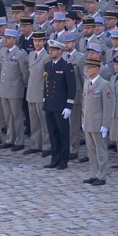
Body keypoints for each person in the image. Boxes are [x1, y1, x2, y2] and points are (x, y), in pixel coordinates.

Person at [43, 40, 76, 170]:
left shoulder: (66, 66)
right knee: (53, 133)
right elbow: (45, 85)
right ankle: (54, 158)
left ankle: (64, 159)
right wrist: (44, 99)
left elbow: (72, 88)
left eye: (53, 49)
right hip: (50, 104)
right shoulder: (47, 65)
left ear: (60, 51)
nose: (50, 52)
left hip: (61, 106)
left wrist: (69, 106)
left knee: (63, 133)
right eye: (50, 49)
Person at [82, 47, 112, 185]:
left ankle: (102, 175)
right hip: (88, 121)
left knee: (101, 150)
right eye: (87, 67)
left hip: (98, 123)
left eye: (90, 67)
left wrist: (105, 124)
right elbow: (85, 102)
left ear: (97, 69)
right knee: (91, 150)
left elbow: (108, 106)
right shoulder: (87, 83)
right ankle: (94, 173)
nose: (87, 69)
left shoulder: (104, 84)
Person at [0, 29, 29, 151]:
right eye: (5, 37)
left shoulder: (21, 54)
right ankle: (10, 138)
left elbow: (25, 74)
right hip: (4, 88)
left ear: (14, 40)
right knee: (8, 116)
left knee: (17, 115)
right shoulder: (2, 51)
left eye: (8, 38)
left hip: (15, 89)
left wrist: (22, 85)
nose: (5, 40)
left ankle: (19, 140)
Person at [24, 31, 51, 157]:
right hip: (31, 92)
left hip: (41, 93)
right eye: (35, 41)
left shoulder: (46, 57)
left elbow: (48, 78)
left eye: (39, 41)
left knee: (44, 122)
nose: (37, 43)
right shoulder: (32, 54)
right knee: (34, 121)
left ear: (44, 42)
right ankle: (35, 144)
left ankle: (47, 145)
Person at [62, 32, 85, 161]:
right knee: (64, 123)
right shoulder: (63, 56)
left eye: (68, 42)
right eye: (65, 43)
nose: (66, 45)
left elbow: (83, 78)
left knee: (74, 125)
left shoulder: (80, 58)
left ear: (74, 43)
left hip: (75, 95)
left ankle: (74, 148)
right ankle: (65, 146)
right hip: (63, 95)